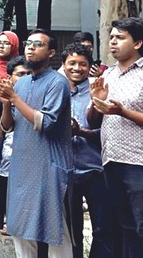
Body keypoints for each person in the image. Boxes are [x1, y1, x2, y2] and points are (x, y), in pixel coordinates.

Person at [0, 29, 74, 257]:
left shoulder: (58, 83)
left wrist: (14, 97)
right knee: (20, 228)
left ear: (51, 52)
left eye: (38, 44)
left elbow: (45, 122)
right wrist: (6, 102)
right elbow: (8, 127)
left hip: (50, 165)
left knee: (56, 230)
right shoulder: (21, 83)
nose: (30, 47)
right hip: (22, 167)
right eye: (28, 43)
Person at [87, 17, 143, 257]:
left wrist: (122, 111)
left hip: (138, 163)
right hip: (111, 161)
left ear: (138, 42)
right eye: (111, 38)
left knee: (141, 226)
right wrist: (95, 102)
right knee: (124, 228)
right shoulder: (107, 75)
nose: (113, 42)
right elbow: (93, 121)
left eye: (120, 37)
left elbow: (121, 112)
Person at [62, 43, 114, 258]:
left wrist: (80, 131)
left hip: (95, 171)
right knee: (71, 233)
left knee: (104, 229)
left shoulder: (100, 89)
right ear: (63, 65)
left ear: (90, 66)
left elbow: (107, 133)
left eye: (82, 64)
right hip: (66, 173)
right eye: (71, 63)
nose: (77, 68)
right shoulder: (57, 91)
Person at [0, 56, 31, 236]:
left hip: (31, 154)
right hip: (9, 153)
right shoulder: (2, 97)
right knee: (6, 189)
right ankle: (6, 221)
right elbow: (5, 128)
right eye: (20, 74)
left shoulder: (36, 94)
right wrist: (7, 105)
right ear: (10, 77)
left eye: (28, 73)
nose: (24, 77)